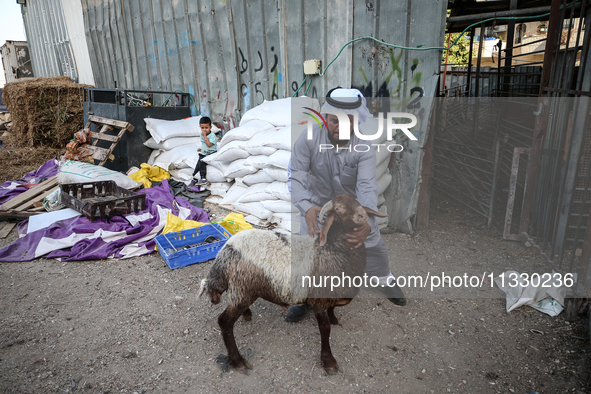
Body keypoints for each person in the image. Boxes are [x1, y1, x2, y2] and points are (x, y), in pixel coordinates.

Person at [287, 87, 406, 323]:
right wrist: (307, 207)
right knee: (308, 246)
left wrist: (366, 224)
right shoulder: (307, 139)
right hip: (317, 207)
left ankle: (384, 277)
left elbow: (367, 187)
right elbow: (296, 176)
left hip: (351, 209)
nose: (340, 127)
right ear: (326, 118)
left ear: (356, 120)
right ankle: (304, 295)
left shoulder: (364, 147)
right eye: (334, 121)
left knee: (371, 240)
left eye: (347, 121)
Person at [192, 116, 217, 185]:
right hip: (204, 152)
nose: (204, 130)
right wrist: (202, 149)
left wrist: (205, 136)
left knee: (202, 162)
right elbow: (204, 144)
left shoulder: (212, 136)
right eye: (202, 128)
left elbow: (209, 144)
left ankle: (203, 178)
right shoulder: (201, 134)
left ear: (210, 127)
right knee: (198, 164)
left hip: (211, 153)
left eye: (206, 128)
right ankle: (194, 177)